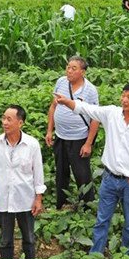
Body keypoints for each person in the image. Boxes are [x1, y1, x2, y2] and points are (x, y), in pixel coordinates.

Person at [54, 83, 129, 256]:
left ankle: (127, 254)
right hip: (109, 179)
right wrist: (67, 102)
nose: (124, 100)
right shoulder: (112, 114)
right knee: (102, 219)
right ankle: (96, 254)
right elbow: (86, 108)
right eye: (123, 95)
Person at [0, 105, 45, 259]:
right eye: (3, 118)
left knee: (29, 237)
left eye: (9, 119)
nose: (4, 122)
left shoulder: (31, 144)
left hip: (26, 198)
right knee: (5, 238)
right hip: (3, 198)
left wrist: (38, 198)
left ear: (20, 123)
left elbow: (38, 172)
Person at [46, 56, 100, 209]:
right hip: (60, 136)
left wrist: (88, 143)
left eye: (73, 68)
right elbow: (53, 107)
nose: (69, 71)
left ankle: (87, 206)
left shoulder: (90, 90)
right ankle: (61, 204)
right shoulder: (61, 82)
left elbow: (95, 119)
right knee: (60, 172)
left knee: (82, 174)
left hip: (79, 138)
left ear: (83, 72)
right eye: (68, 67)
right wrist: (50, 130)